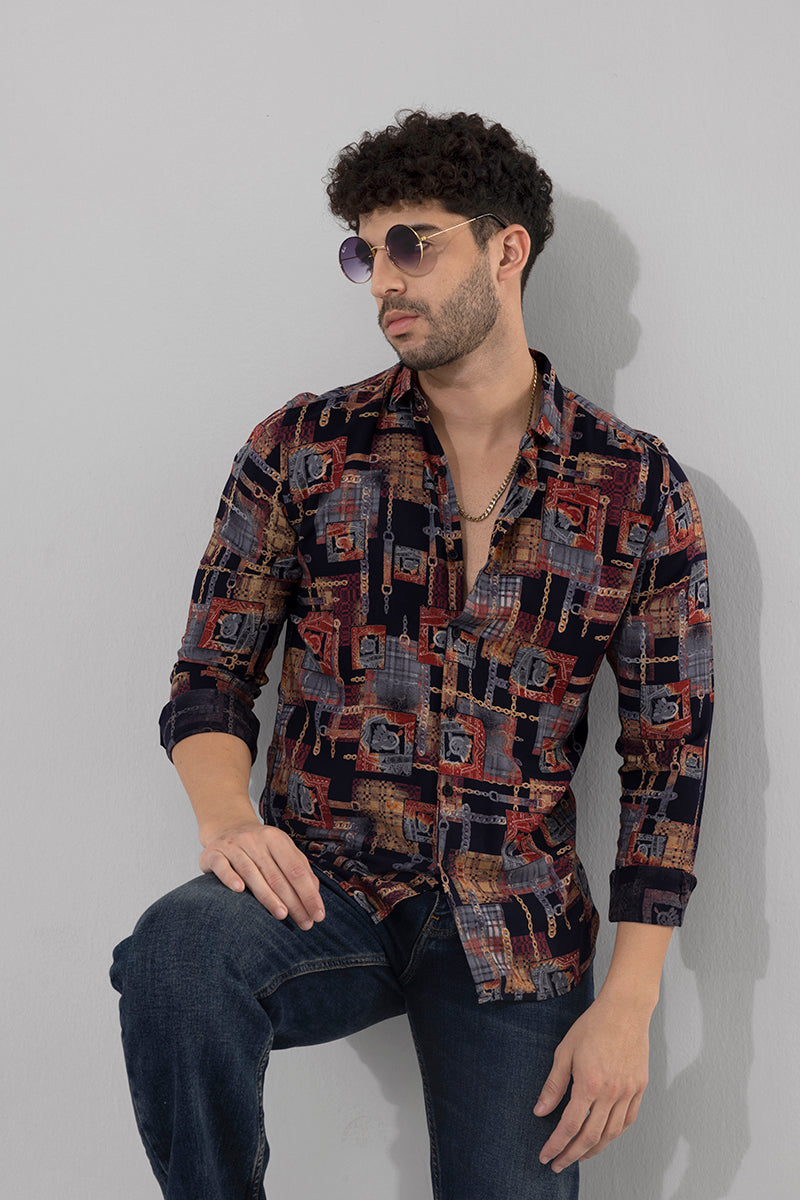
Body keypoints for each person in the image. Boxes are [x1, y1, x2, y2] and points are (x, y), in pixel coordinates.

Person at [111, 110, 713, 1200]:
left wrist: (627, 1005)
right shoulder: (303, 448)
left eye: (411, 244)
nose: (382, 277)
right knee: (176, 958)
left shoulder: (632, 484)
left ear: (506, 249)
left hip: (513, 918)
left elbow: (668, 758)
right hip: (324, 882)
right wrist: (228, 820)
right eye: (363, 251)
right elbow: (211, 675)